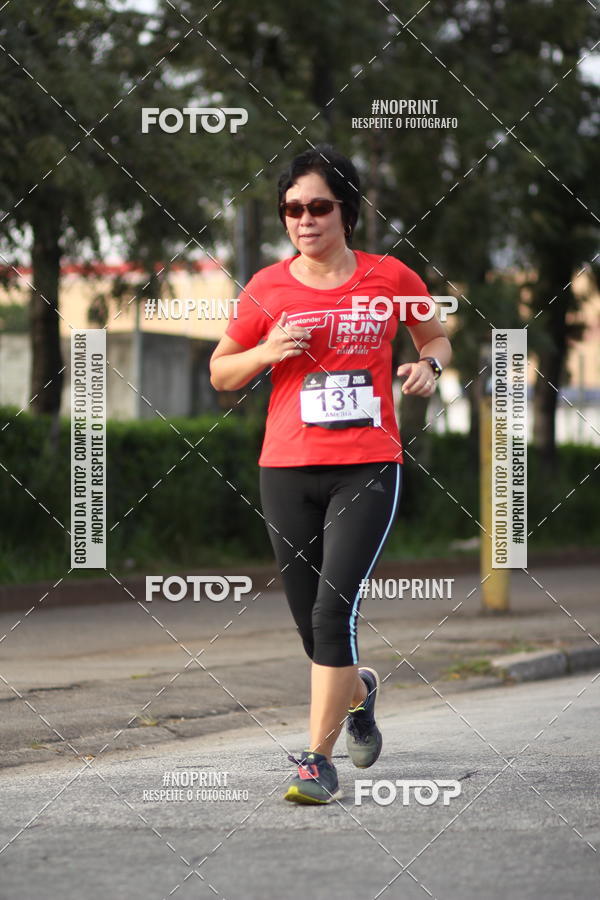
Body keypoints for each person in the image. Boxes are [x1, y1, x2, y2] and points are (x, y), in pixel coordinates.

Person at [209, 144, 452, 805]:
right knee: (310, 628)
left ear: (345, 210)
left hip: (367, 465)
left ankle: (315, 761)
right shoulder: (268, 287)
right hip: (286, 469)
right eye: (292, 210)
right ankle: (360, 691)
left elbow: (434, 336)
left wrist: (428, 366)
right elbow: (221, 371)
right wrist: (266, 350)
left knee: (332, 609)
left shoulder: (389, 277)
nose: (304, 220)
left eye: (317, 207)